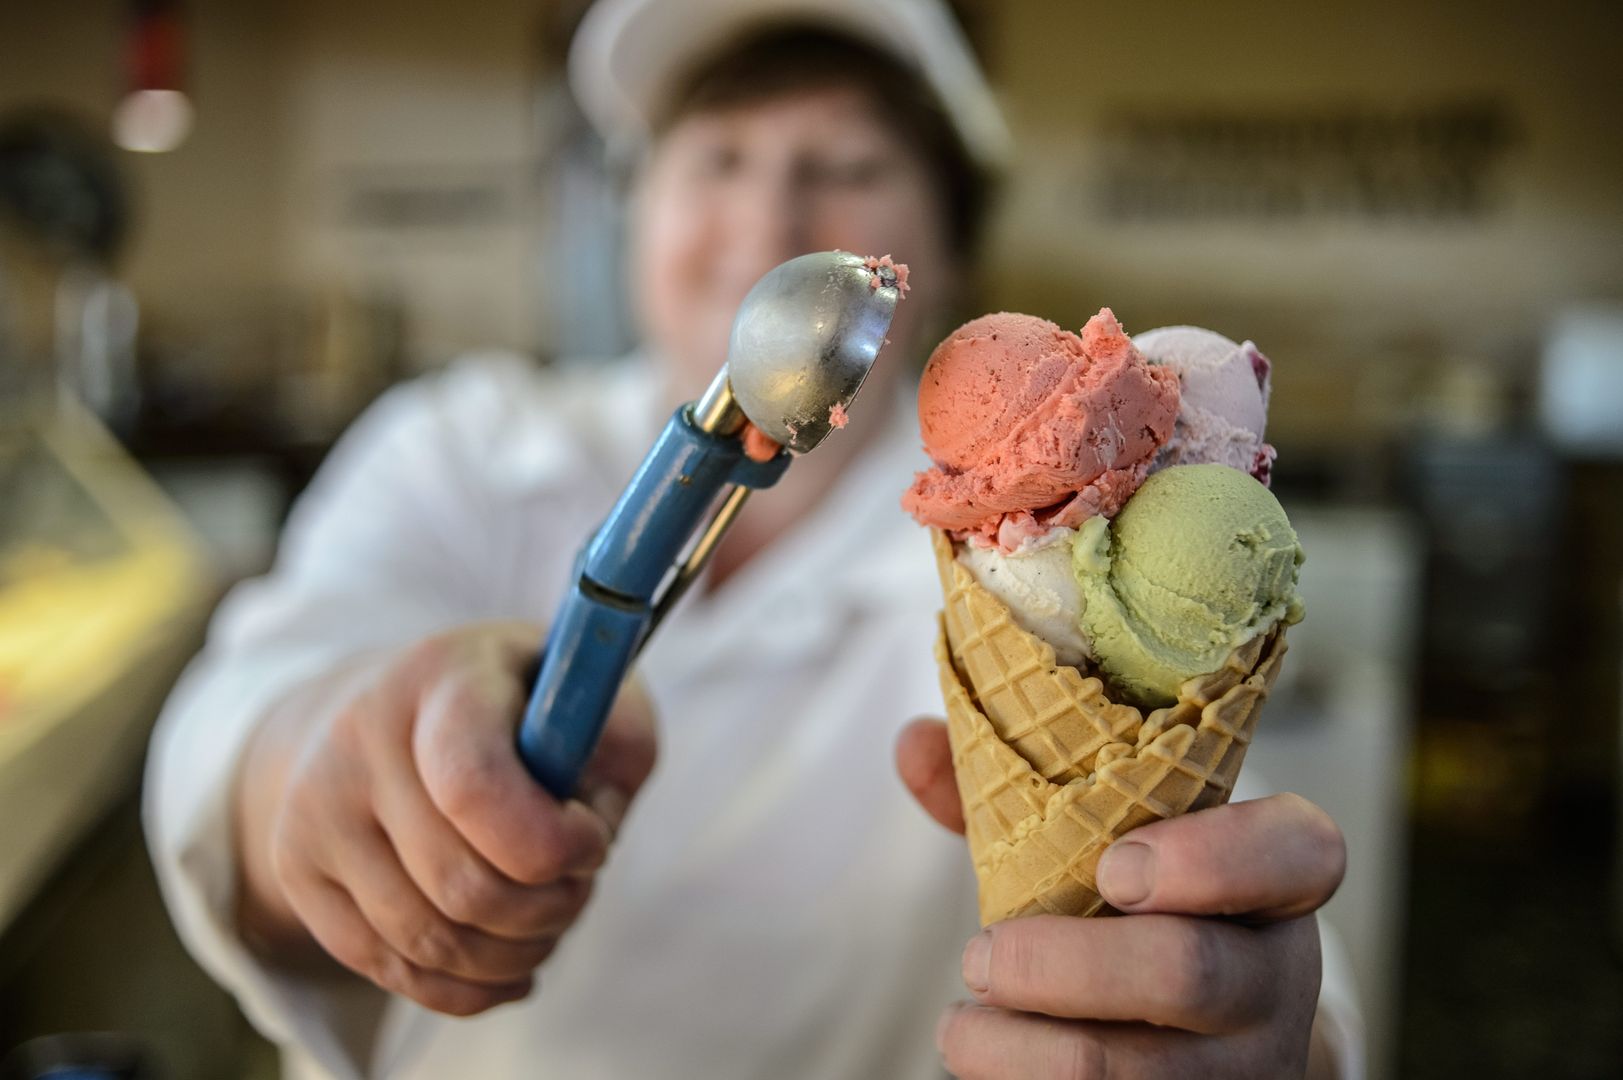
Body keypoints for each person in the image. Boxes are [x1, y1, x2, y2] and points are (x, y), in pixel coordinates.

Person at [144, 1, 1360, 1077]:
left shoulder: (1048, 561)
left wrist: (1257, 1036)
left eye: (845, 163)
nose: (771, 219)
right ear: (634, 209)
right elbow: (240, 706)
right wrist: (307, 766)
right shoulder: (459, 447)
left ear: (938, 248)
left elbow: (1259, 946)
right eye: (716, 158)